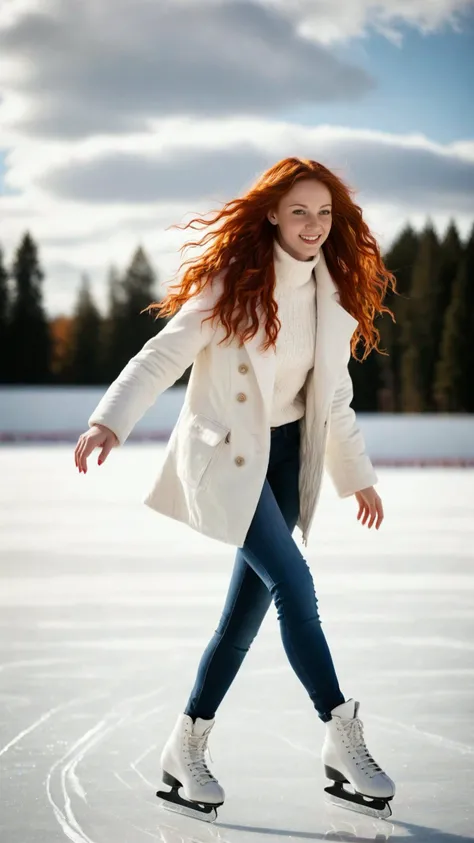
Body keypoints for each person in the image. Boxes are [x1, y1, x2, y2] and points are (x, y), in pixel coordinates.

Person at [74, 157, 397, 823]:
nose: (313, 225)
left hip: (286, 458)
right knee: (295, 585)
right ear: (273, 213)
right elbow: (162, 354)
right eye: (300, 210)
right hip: (229, 461)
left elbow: (333, 399)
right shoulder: (233, 285)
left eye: (324, 213)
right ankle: (340, 731)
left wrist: (357, 475)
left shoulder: (330, 295)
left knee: (243, 619)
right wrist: (110, 418)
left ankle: (183, 745)